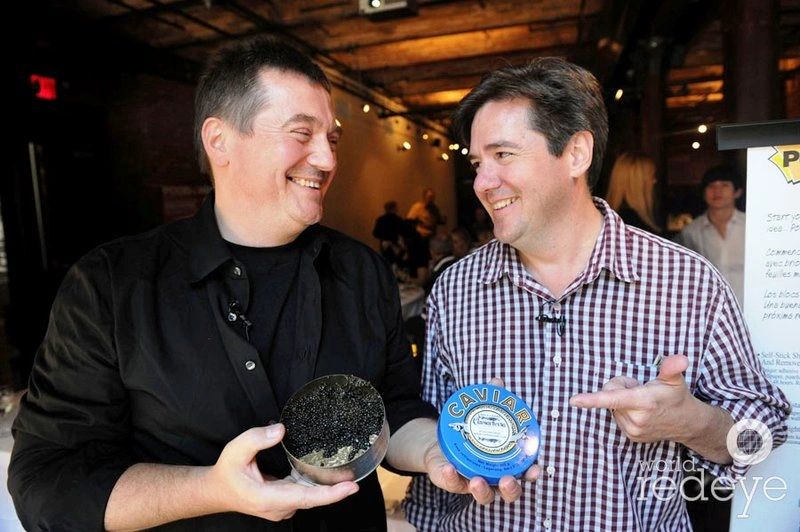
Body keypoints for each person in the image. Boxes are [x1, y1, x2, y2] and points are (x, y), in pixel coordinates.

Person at [8, 37, 530, 531]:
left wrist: (439, 454)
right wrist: (210, 490)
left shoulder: (361, 271)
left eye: (331, 139)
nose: (326, 159)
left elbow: (394, 408)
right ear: (220, 141)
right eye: (301, 134)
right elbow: (47, 482)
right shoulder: (112, 285)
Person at [404, 57, 790, 531]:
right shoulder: (456, 289)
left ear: (576, 154)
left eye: (503, 155)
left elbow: (762, 436)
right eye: (478, 164)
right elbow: (435, 440)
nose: (483, 184)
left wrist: (690, 422)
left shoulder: (685, 282)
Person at [676, 164, 746, 306]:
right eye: (711, 186)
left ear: (737, 192)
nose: (717, 191)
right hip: (710, 310)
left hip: (750, 307)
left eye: (724, 185)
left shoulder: (751, 225)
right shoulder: (691, 231)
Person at [606, 151, 663, 234]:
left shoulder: (613, 218)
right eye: (652, 175)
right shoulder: (633, 223)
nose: (655, 181)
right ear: (638, 182)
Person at [372, 200, 405, 265]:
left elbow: (375, 233)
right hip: (397, 246)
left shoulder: (380, 219)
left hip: (385, 246)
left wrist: (385, 240)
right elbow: (404, 232)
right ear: (394, 208)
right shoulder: (398, 220)